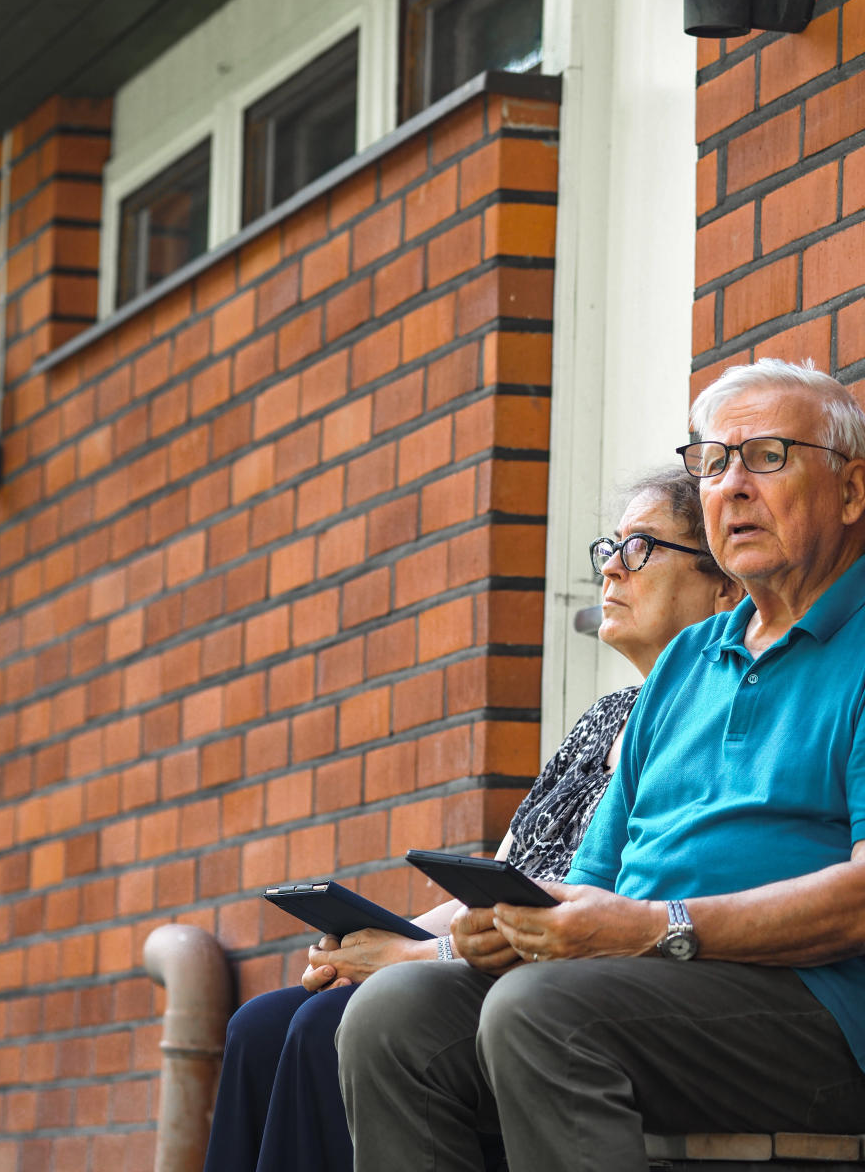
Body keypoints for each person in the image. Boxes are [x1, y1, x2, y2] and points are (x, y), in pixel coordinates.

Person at [337, 357, 865, 1172]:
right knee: (396, 1011)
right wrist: (521, 925)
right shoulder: (689, 659)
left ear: (852, 492)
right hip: (641, 982)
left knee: (544, 1009)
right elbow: (596, 880)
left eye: (766, 457)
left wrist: (660, 929)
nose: (732, 487)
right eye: (713, 463)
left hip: (819, 1009)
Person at [202, 469, 743, 1172]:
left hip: (549, 974)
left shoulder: (700, 721)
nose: (610, 566)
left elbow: (608, 910)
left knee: (319, 1029)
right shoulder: (601, 719)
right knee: (256, 1026)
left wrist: (412, 959)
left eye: (640, 548)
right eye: (610, 546)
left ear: (724, 587)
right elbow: (495, 880)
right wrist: (369, 941)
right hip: (491, 952)